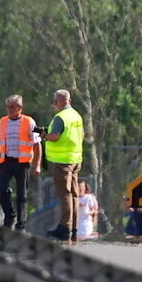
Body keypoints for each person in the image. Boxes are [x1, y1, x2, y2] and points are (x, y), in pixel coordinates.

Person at [0, 94, 42, 230]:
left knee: (22, 194)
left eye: (12, 107)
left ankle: (21, 223)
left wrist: (37, 164)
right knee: (0, 190)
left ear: (20, 107)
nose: (9, 109)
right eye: (8, 107)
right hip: (6, 161)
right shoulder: (2, 122)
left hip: (22, 162)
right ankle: (10, 214)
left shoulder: (29, 122)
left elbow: (37, 144)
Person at [41, 89, 84, 242]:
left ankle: (65, 226)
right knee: (74, 194)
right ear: (70, 101)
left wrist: (45, 135)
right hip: (75, 158)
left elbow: (55, 136)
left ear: (56, 102)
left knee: (65, 193)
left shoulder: (60, 117)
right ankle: (73, 226)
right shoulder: (76, 116)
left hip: (63, 162)